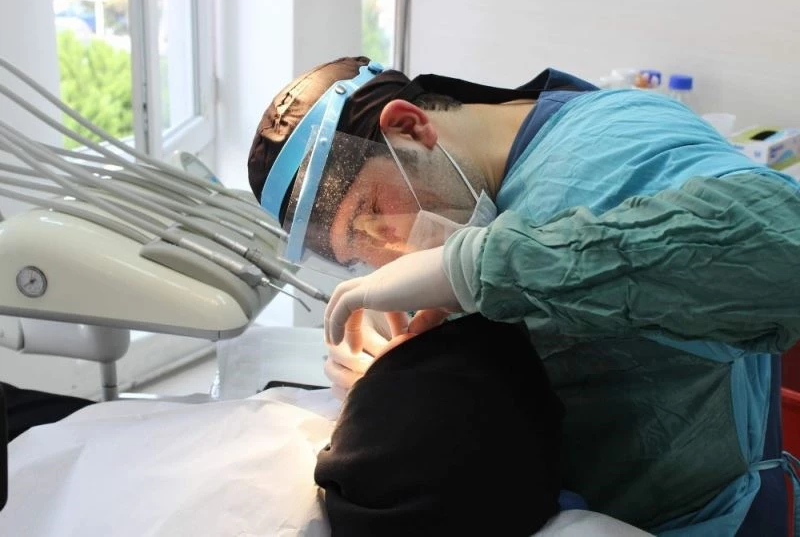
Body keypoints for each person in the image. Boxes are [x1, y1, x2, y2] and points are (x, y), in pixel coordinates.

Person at [248, 56, 800, 535]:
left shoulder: (616, 145)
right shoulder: (462, 198)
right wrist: (382, 371)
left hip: (701, 516)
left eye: (371, 213)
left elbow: (783, 251)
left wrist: (476, 268)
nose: (385, 253)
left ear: (410, 126)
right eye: (356, 253)